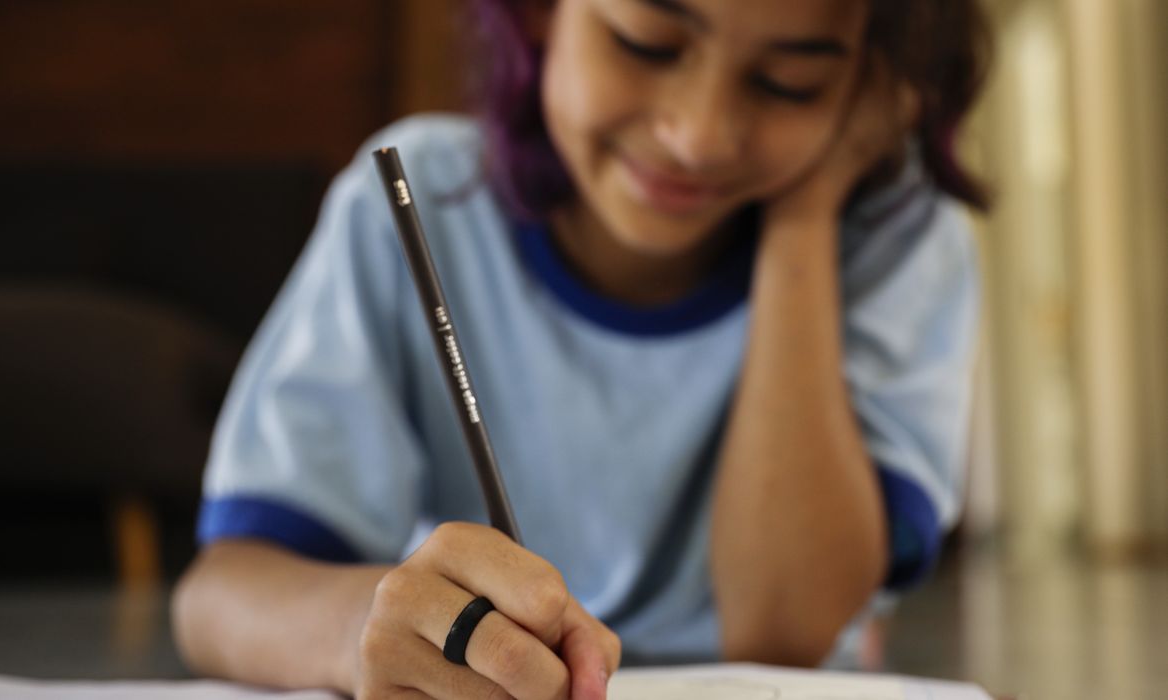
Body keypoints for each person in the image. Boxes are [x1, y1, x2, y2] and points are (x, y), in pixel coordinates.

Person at [172, 0, 992, 698]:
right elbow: (221, 595)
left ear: (866, 90)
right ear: (538, 12)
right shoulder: (414, 204)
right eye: (646, 43)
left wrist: (806, 217)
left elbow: (783, 626)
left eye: (791, 82)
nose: (698, 136)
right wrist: (371, 627)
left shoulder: (894, 245)